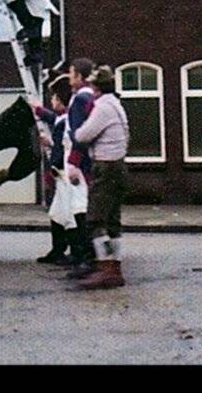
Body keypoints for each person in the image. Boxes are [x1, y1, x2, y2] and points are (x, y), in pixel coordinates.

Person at [73, 66, 129, 290]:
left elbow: (83, 135)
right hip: (119, 164)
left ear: (96, 87)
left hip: (105, 166)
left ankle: (105, 267)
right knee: (113, 221)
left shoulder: (103, 107)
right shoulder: (116, 104)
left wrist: (76, 130)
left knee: (95, 220)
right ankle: (115, 267)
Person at [34, 81, 87, 266]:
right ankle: (59, 250)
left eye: (54, 98)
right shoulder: (63, 119)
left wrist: (52, 171)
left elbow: (59, 149)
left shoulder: (65, 122)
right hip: (64, 172)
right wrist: (39, 111)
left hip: (64, 174)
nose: (52, 101)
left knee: (68, 213)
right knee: (57, 212)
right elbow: (54, 121)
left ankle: (74, 252)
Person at [63, 58, 96, 277]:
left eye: (72, 74)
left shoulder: (80, 99)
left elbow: (79, 134)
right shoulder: (90, 97)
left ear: (80, 77)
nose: (69, 78)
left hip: (79, 162)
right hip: (85, 160)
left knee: (80, 208)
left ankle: (86, 259)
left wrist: (74, 163)